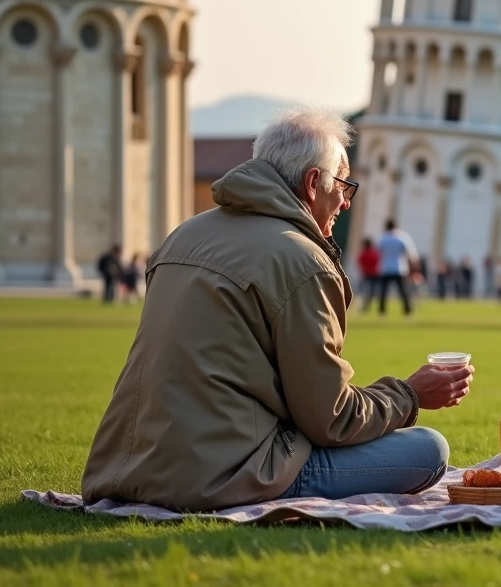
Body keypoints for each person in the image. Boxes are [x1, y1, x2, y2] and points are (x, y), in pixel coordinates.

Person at [83, 107, 472, 511]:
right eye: (344, 185)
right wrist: (410, 394)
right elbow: (331, 420)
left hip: (129, 469)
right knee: (428, 449)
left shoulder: (184, 234)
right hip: (222, 475)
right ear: (314, 183)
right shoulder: (301, 259)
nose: (346, 203)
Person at [376, 219, 418, 316]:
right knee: (403, 291)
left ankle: (382, 311)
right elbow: (411, 253)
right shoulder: (402, 237)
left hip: (385, 267)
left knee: (383, 292)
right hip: (399, 268)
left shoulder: (383, 238)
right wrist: (414, 268)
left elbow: (378, 252)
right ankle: (407, 310)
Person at [356, 238, 381, 310]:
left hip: (365, 274)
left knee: (364, 290)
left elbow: (360, 262)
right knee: (372, 291)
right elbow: (378, 261)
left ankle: (364, 305)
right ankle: (368, 304)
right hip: (374, 274)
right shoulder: (374, 253)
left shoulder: (363, 253)